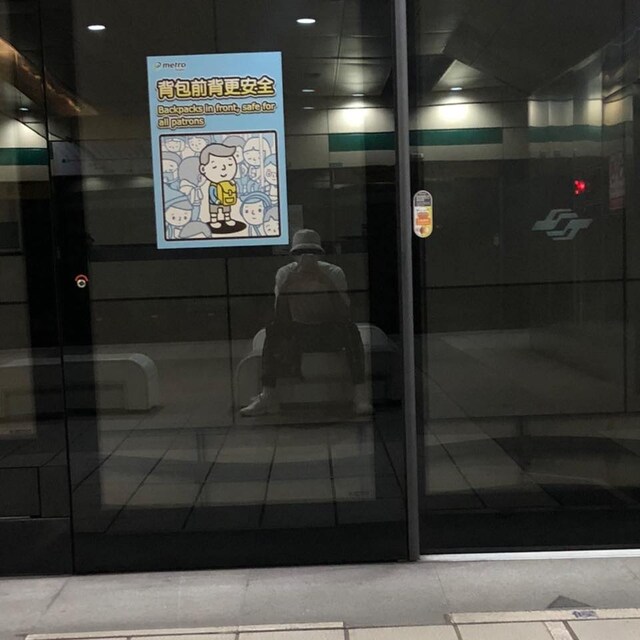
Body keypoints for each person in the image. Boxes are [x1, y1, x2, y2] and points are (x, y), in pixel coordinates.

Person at [240, 229, 373, 417]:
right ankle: (268, 394)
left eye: (311, 253)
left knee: (350, 329)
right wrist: (288, 286)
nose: (306, 258)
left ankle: (360, 395)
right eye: (301, 253)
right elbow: (280, 315)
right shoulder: (285, 273)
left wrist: (326, 283)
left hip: (327, 329)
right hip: (299, 330)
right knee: (273, 330)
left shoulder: (333, 272)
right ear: (294, 255)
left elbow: (344, 314)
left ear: (319, 254)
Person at [198, 143, 246, 233]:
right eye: (215, 166)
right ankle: (214, 221)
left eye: (229, 164)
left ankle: (227, 219)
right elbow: (212, 193)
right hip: (215, 202)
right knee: (214, 211)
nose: (224, 169)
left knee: (226, 209)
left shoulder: (229, 182)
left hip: (226, 200)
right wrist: (215, 200)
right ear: (203, 169)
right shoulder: (213, 185)